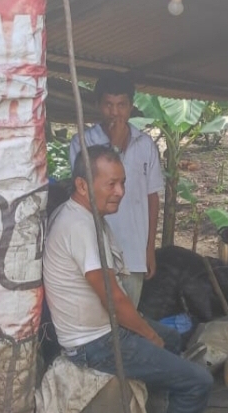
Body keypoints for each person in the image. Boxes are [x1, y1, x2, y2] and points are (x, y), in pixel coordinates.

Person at [43, 145, 212, 413]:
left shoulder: (82, 216)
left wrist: (152, 334)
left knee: (173, 338)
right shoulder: (79, 227)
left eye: (122, 182)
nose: (120, 191)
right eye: (112, 184)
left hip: (101, 330)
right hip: (94, 343)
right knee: (198, 382)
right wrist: (148, 335)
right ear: (82, 185)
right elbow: (114, 299)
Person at [69, 70, 164, 309]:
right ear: (98, 106)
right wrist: (114, 146)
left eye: (121, 105)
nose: (115, 112)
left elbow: (152, 199)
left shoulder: (145, 144)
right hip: (96, 254)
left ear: (131, 107)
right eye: (108, 105)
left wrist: (149, 248)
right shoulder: (82, 143)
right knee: (99, 319)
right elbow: (82, 196)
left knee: (128, 319)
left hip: (134, 253)